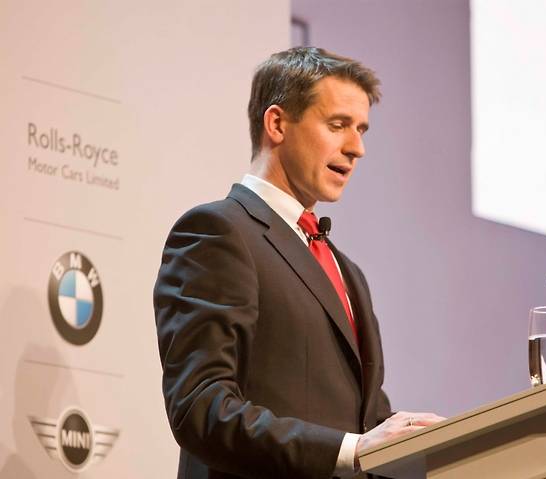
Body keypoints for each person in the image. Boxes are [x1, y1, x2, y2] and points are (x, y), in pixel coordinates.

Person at [154, 47, 443, 479]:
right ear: (276, 124)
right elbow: (201, 408)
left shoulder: (348, 272)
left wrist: (425, 442)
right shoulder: (218, 232)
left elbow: (365, 425)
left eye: (361, 129)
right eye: (338, 125)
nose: (357, 148)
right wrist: (351, 450)